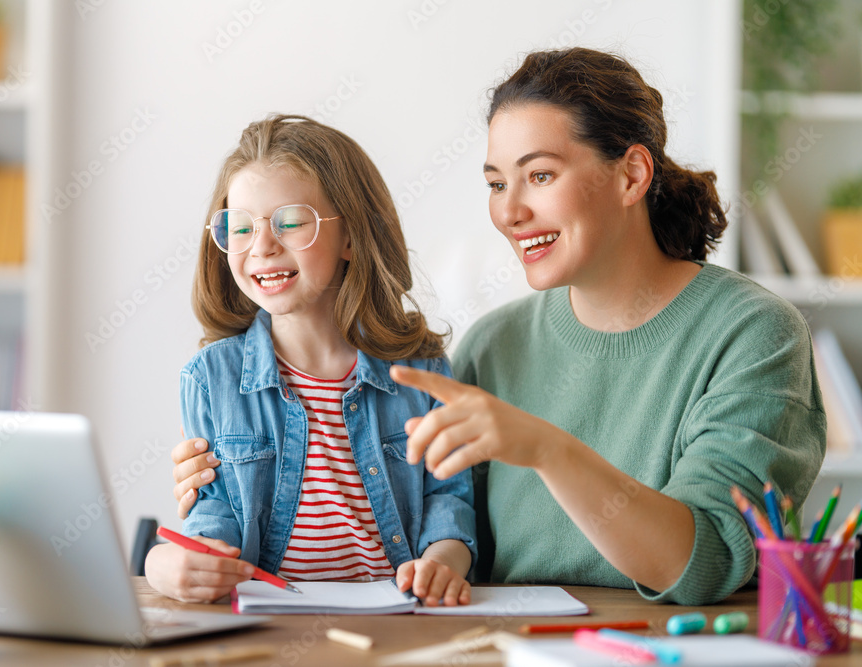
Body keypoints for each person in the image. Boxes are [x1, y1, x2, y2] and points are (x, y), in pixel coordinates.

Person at [169, 48, 827, 606]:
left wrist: (546, 447)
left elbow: (702, 562)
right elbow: (439, 534)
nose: (510, 211)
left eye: (539, 175)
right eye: (494, 182)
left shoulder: (752, 332)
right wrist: (206, 511)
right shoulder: (493, 345)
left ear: (631, 173)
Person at [145, 114, 476, 605]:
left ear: (350, 236)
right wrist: (167, 563)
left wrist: (442, 564)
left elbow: (448, 500)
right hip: (272, 619)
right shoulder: (209, 378)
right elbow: (212, 513)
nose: (262, 246)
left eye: (291, 223)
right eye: (240, 227)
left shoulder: (423, 371)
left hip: (397, 619)